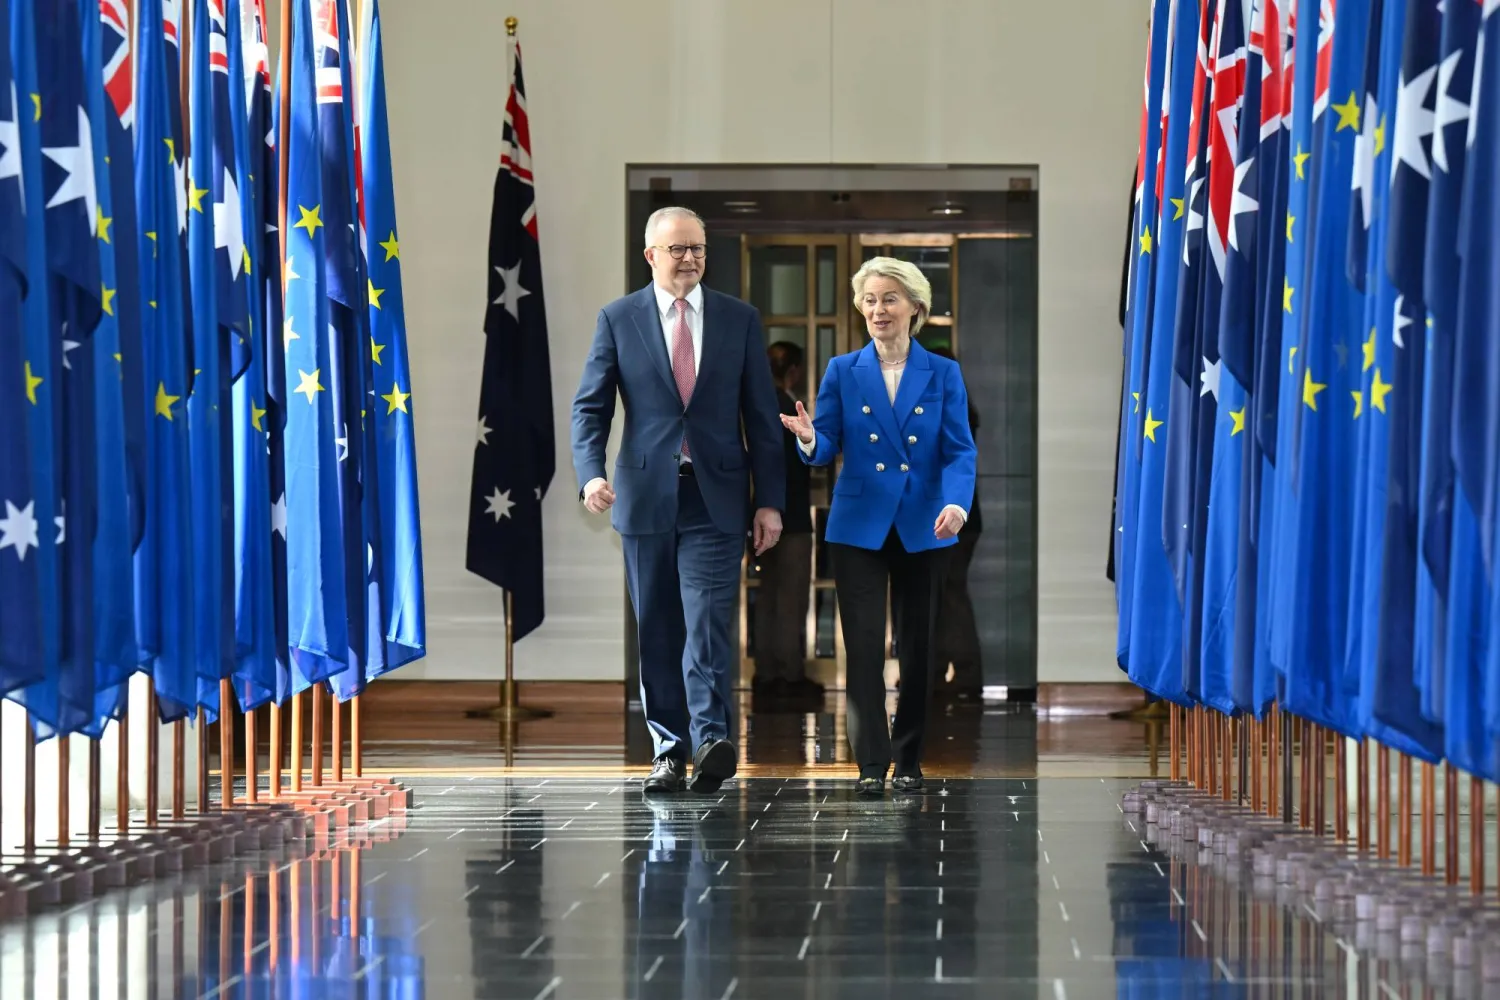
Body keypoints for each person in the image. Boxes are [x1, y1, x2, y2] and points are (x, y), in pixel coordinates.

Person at [571, 206, 786, 796]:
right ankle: (668, 748)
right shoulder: (618, 319)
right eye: (677, 250)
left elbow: (762, 418)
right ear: (650, 257)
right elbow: (590, 407)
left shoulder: (739, 320)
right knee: (658, 627)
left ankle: (711, 737)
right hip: (644, 497)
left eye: (697, 248)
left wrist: (769, 501)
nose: (689, 258)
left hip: (716, 497)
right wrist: (589, 475)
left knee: (708, 622)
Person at [780, 257, 977, 795]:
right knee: (863, 647)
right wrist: (805, 437)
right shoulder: (845, 370)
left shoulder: (943, 372)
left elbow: (960, 450)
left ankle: (909, 758)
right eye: (869, 300)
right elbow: (826, 444)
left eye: (888, 298)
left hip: (926, 524)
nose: (877, 309)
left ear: (915, 307)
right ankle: (870, 763)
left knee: (918, 649)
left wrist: (957, 504)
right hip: (860, 525)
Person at [754, 342, 822, 702]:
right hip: (792, 515)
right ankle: (791, 674)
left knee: (767, 596)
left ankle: (765, 671)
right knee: (792, 597)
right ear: (793, 370)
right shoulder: (788, 408)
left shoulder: (755, 405)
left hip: (758, 514)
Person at [924, 346, 984, 701]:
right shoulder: (957, 403)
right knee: (944, 596)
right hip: (956, 516)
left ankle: (959, 673)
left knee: (948, 596)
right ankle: (945, 671)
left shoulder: (946, 406)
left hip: (950, 517)